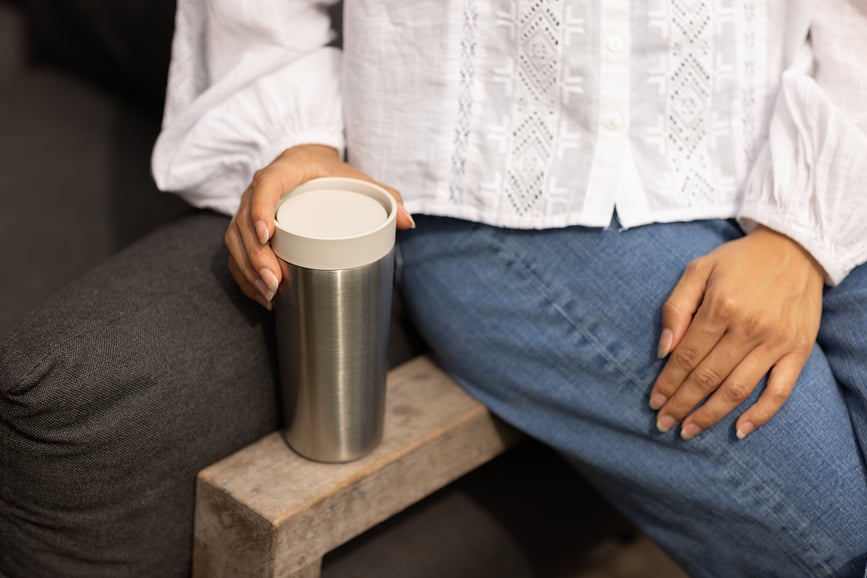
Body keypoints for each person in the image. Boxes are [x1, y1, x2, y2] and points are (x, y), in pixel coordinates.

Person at [3, 0, 866, 576]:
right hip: (502, 199)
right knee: (832, 535)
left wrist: (802, 227)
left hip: (816, 128)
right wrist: (295, 137)